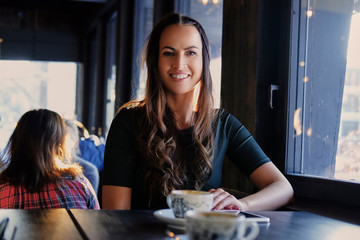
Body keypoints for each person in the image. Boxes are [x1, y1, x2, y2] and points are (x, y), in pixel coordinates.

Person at [102, 13, 294, 211]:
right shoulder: (128, 122)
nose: (179, 63)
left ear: (204, 60)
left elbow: (283, 189)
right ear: (155, 61)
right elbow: (116, 214)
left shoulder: (222, 124)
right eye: (169, 53)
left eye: (190, 52)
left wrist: (241, 204)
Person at [0, 109, 100, 209]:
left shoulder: (3, 189)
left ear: (16, 142)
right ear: (60, 143)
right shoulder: (79, 184)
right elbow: (97, 221)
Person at [64, 119, 100, 195]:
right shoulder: (45, 168)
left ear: (76, 143)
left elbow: (90, 205)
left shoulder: (89, 171)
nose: (62, 143)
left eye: (69, 138)